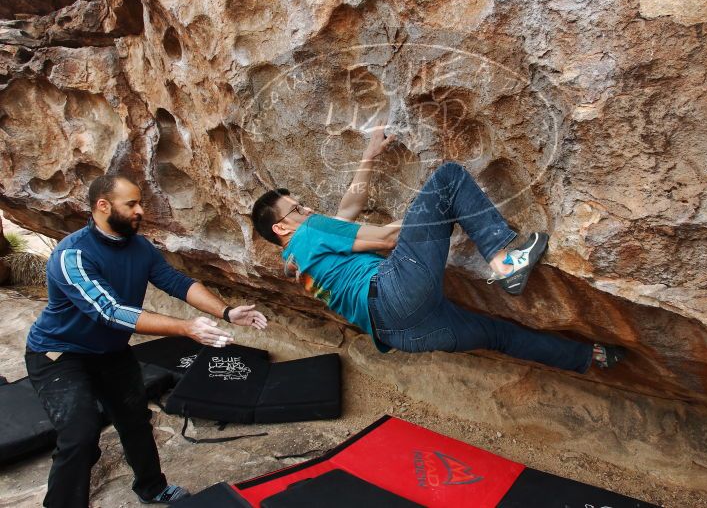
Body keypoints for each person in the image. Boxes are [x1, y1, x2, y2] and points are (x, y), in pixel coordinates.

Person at [251, 126, 624, 374]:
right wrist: (421, 220)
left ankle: (589, 356)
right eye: (297, 209)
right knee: (447, 179)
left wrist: (369, 158)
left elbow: (348, 210)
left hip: (403, 334)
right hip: (394, 294)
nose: (309, 210)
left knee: (499, 336)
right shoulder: (309, 233)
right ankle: (504, 260)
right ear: (281, 227)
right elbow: (385, 240)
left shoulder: (298, 260)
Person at [25, 174, 268, 507]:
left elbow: (176, 282)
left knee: (135, 419)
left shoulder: (140, 247)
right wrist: (186, 328)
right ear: (102, 206)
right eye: (132, 204)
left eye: (141, 202)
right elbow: (109, 312)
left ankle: (152, 488)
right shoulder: (72, 256)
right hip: (60, 354)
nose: (141, 210)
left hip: (110, 352)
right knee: (79, 436)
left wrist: (227, 312)